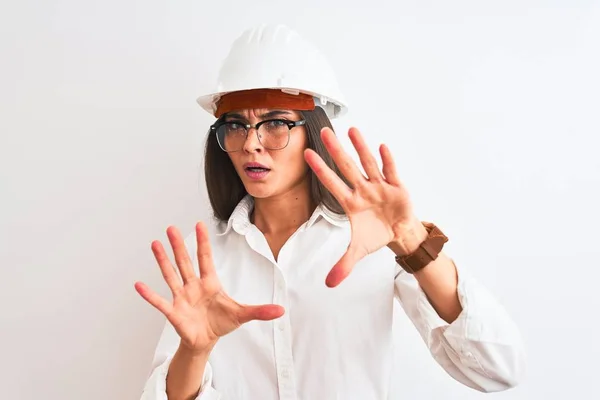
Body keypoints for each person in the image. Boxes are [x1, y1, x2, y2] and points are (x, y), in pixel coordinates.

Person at [135, 24, 525, 400]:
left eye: (274, 123)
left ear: (315, 130)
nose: (251, 143)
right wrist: (196, 350)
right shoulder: (207, 253)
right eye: (236, 125)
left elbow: (498, 369)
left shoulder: (372, 240)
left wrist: (410, 239)